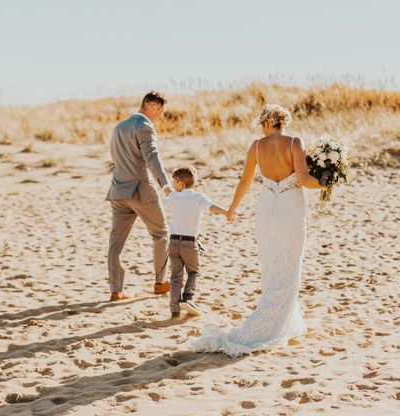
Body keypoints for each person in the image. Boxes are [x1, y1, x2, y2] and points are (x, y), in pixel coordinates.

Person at [191, 104, 323, 357]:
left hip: (265, 210)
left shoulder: (256, 146)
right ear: (284, 121)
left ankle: (284, 320)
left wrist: (232, 209)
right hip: (289, 208)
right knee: (289, 263)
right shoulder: (295, 142)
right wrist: (327, 183)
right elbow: (305, 180)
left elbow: (245, 181)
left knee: (271, 263)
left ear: (265, 122)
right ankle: (273, 325)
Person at [106, 91, 172, 302]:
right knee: (161, 233)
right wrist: (165, 185)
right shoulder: (144, 126)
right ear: (152, 106)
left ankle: (116, 290)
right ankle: (161, 282)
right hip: (140, 190)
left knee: (116, 243)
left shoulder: (119, 127)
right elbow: (152, 157)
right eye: (161, 111)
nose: (160, 116)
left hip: (118, 190)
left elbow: (115, 157)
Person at [164, 166, 228, 318]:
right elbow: (212, 208)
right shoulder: (199, 197)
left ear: (180, 183)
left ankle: (174, 309)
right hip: (189, 243)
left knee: (175, 276)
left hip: (173, 242)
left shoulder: (173, 197)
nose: (173, 184)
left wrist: (167, 190)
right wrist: (227, 212)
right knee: (193, 271)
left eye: (174, 181)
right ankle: (188, 298)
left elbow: (166, 198)